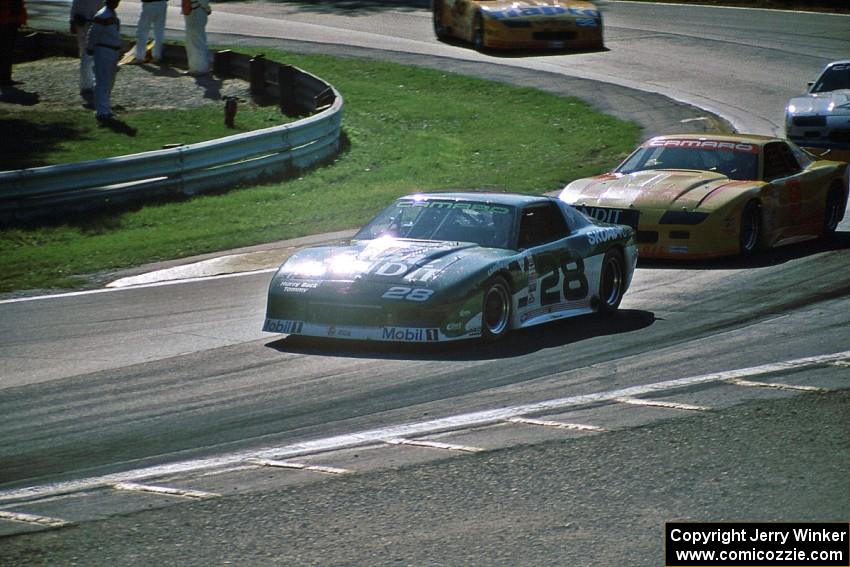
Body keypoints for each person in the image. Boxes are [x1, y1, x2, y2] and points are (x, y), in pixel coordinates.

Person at [86, 0, 121, 121]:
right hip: (103, 50)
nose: (116, 3)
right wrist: (90, 47)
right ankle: (101, 111)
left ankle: (106, 108)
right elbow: (94, 33)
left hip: (112, 51)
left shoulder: (111, 13)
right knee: (102, 81)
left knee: (109, 82)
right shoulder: (102, 15)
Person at [70, 0, 102, 99]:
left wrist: (71, 20)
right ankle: (87, 85)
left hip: (81, 21)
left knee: (84, 53)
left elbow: (74, 6)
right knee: (87, 55)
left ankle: (87, 83)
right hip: (89, 22)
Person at [0, 0, 27, 87]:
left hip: (10, 21)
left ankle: (6, 78)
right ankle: (4, 79)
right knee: (6, 51)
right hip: (7, 22)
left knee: (7, 51)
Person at [132, 0, 167, 64]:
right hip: (162, 4)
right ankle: (157, 56)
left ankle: (140, 57)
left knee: (142, 31)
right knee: (159, 31)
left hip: (149, 4)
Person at [182, 0, 210, 75]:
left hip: (197, 10)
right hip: (191, 10)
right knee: (190, 42)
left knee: (198, 41)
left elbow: (204, 2)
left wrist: (207, 9)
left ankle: (201, 68)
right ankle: (194, 67)